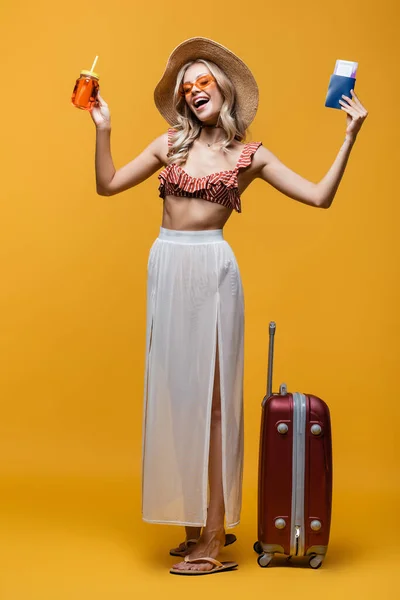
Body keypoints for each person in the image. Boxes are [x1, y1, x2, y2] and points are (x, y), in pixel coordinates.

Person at [89, 37, 368, 575]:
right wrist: (102, 128)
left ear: (223, 90)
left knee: (215, 406)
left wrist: (349, 135)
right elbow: (106, 184)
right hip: (166, 267)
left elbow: (318, 196)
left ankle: (213, 540)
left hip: (213, 272)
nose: (195, 93)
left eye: (203, 83)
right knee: (178, 397)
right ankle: (195, 522)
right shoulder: (168, 145)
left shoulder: (249, 156)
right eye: (186, 87)